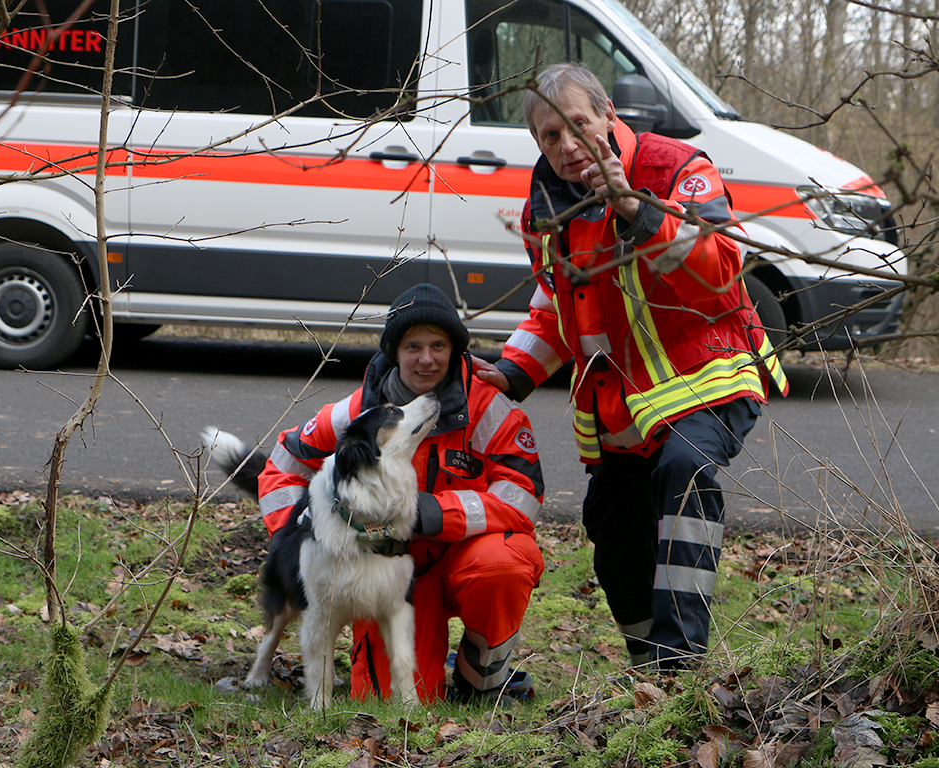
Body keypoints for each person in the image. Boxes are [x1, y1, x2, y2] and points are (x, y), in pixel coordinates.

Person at [473, 62, 788, 672]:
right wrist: (512, 371)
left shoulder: (675, 168)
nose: (567, 147)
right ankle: (647, 662)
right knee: (612, 525)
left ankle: (679, 663)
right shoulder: (545, 210)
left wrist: (636, 211)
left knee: (686, 470)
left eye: (577, 126)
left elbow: (721, 268)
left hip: (713, 379)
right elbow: (555, 306)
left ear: (608, 115)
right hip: (626, 409)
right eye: (549, 136)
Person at [257, 283, 545, 703]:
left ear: (455, 350)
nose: (426, 359)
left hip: (461, 556)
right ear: (394, 351)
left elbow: (522, 496)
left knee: (503, 564)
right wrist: (300, 537)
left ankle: (480, 678)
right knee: (385, 703)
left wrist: (433, 514)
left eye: (438, 345)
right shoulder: (357, 414)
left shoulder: (490, 408)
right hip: (384, 574)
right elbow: (284, 462)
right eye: (413, 346)